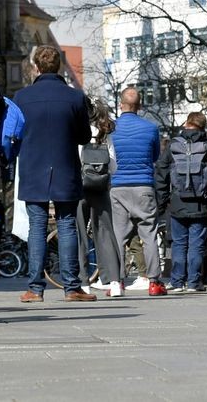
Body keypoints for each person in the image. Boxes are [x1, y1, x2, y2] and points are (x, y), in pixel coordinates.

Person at [13, 46, 96, 303]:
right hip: (65, 168)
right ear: (59, 67)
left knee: (37, 226)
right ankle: (72, 287)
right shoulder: (75, 97)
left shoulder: (21, 97)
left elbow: (14, 135)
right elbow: (84, 136)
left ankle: (35, 288)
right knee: (67, 225)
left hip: (33, 168)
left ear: (36, 67)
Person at [156, 112, 207, 292]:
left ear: (186, 123)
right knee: (197, 244)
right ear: (202, 127)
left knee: (179, 244)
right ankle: (194, 283)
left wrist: (163, 200)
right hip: (201, 203)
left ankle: (177, 282)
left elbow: (161, 173)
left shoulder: (173, 145)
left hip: (177, 203)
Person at [109, 87, 165, 296]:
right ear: (139, 106)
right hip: (143, 186)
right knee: (149, 234)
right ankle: (154, 283)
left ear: (120, 105)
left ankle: (116, 283)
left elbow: (109, 158)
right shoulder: (151, 129)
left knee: (118, 236)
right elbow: (154, 156)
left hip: (118, 187)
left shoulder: (111, 129)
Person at [85, 99, 123, 297]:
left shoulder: (78, 131)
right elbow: (114, 165)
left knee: (79, 233)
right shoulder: (104, 134)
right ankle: (114, 281)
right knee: (105, 232)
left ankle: (82, 282)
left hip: (80, 186)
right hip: (101, 186)